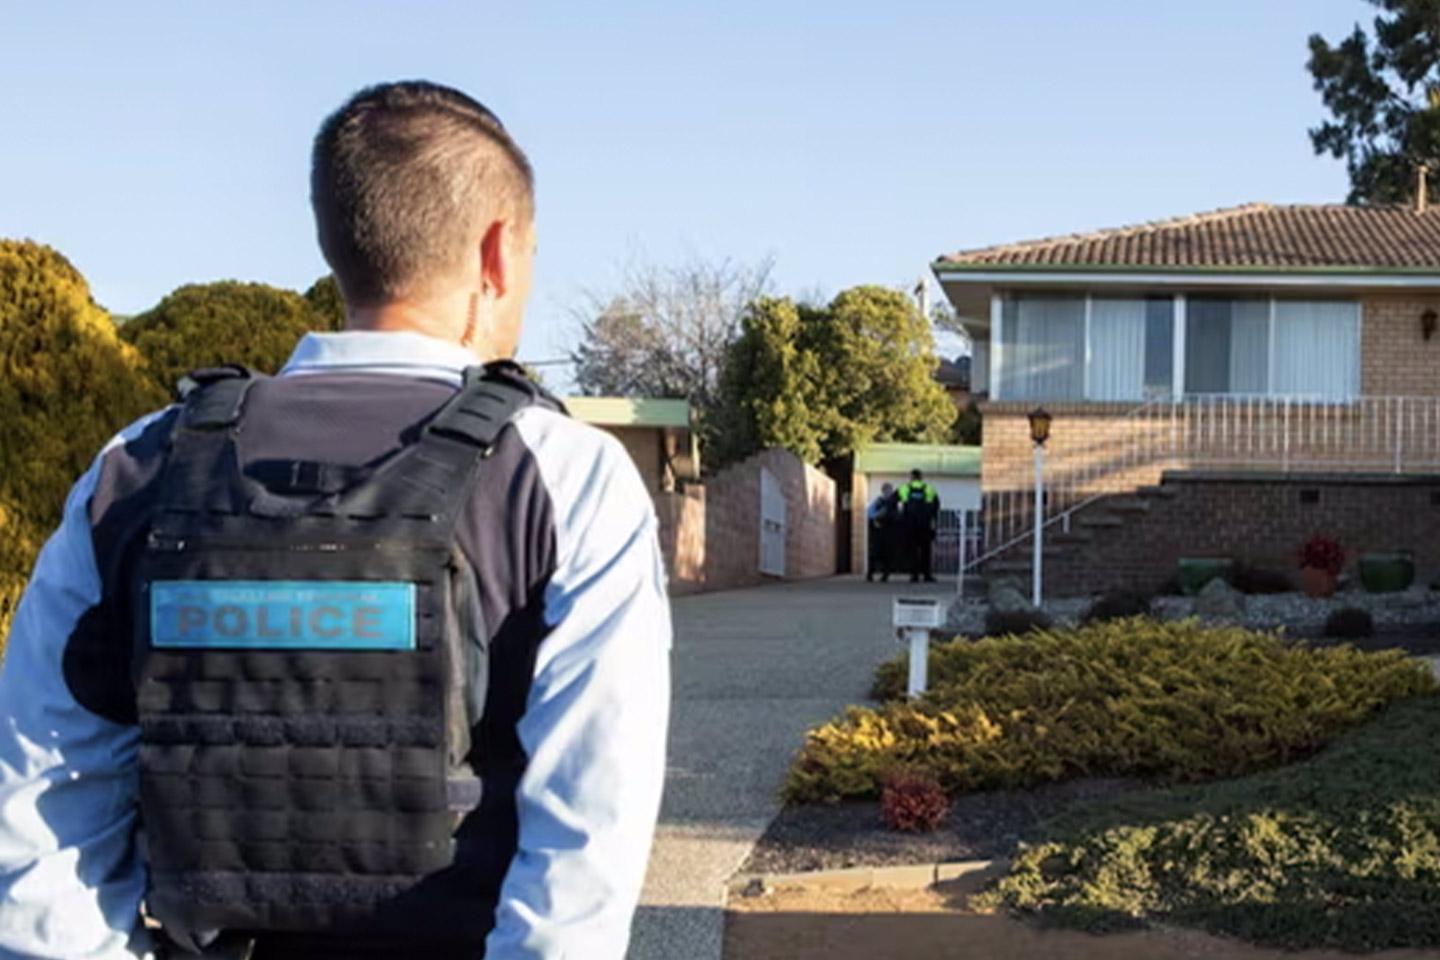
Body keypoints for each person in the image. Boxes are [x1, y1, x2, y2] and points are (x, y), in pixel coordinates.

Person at [0, 81, 671, 960]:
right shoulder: (568, 479)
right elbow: (587, 841)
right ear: (499, 252)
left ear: (335, 240)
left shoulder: (133, 469)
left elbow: (42, 797)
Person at [898, 468, 940, 583]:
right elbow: (936, 506)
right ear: (921, 478)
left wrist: (900, 517)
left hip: (910, 526)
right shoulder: (929, 489)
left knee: (912, 551)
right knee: (926, 551)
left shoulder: (904, 489)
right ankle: (927, 575)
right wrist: (934, 521)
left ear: (911, 477)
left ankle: (914, 575)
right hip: (925, 525)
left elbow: (893, 502)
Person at [865, 482, 899, 582]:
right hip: (878, 531)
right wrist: (879, 514)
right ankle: (870, 574)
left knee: (887, 554)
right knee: (874, 553)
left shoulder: (894, 503)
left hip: (889, 532)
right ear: (883, 491)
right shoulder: (878, 502)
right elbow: (870, 513)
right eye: (887, 491)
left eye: (890, 491)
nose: (889, 493)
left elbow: (897, 516)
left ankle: (885, 575)